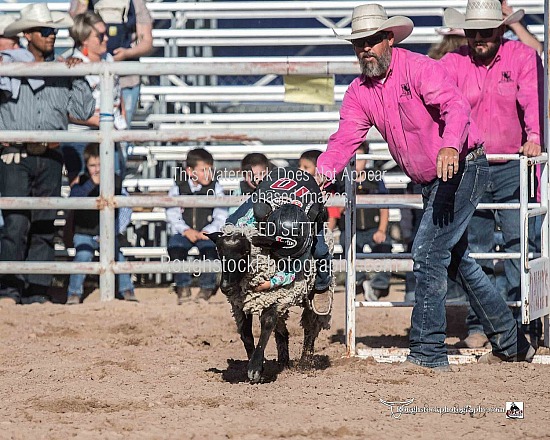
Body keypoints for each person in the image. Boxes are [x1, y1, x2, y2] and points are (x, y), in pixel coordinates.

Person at [316, 3, 534, 369]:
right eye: (359, 43)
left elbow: (455, 108)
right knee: (457, 262)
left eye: (371, 41)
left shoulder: (418, 68)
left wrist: (449, 144)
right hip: (435, 178)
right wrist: (324, 171)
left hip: (464, 166)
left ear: (388, 39)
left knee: (429, 252)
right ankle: (513, 343)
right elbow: (344, 139)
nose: (365, 49)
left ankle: (428, 350)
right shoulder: (359, 92)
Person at [440, 0, 544, 349]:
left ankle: (522, 318)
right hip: (472, 165)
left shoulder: (522, 58)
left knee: (520, 244)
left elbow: (531, 99)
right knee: (476, 248)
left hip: (512, 164)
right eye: (473, 32)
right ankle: (482, 323)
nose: (479, 38)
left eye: (486, 31)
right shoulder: (452, 63)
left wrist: (534, 138)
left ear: (501, 29)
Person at [0, 3, 95, 305]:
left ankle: (37, 290)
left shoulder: (64, 68)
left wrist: (78, 75)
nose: (51, 35)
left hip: (52, 155)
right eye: (45, 31)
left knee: (43, 223)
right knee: (15, 223)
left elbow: (83, 111)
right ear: (28, 34)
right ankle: (10, 289)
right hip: (15, 154)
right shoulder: (7, 65)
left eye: (53, 31)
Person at [66, 143, 137, 304]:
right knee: (83, 255)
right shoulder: (82, 182)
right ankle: (74, 292)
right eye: (92, 165)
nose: (97, 169)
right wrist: (91, 183)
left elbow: (125, 208)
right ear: (86, 166)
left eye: (100, 165)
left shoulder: (116, 181)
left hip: (108, 232)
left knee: (117, 256)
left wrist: (114, 230)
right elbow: (74, 199)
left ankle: (127, 290)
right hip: (84, 232)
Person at [63, 11, 128, 183]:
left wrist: (120, 118)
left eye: (105, 33)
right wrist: (100, 121)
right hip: (82, 136)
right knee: (83, 190)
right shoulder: (72, 65)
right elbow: (66, 109)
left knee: (114, 185)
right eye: (100, 35)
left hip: (111, 131)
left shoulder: (108, 58)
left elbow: (117, 94)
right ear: (84, 39)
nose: (106, 38)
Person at [69, 0, 154, 126]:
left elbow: (147, 41)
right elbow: (74, 27)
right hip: (90, 80)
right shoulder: (85, 3)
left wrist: (126, 54)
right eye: (101, 35)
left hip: (125, 79)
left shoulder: (135, 2)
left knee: (120, 130)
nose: (106, 38)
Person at [166, 148, 227, 304]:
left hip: (207, 231)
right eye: (203, 170)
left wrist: (209, 231)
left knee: (210, 249)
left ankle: (207, 286)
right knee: (176, 247)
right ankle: (182, 286)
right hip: (184, 232)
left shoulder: (216, 188)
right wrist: (185, 230)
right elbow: (172, 213)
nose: (208, 174)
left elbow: (221, 215)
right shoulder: (178, 188)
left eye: (210, 169)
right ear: (190, 171)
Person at [336, 142, 391, 301]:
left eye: (359, 158)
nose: (355, 162)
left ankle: (377, 286)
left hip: (373, 228)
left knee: (385, 246)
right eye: (352, 158)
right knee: (349, 247)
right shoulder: (341, 179)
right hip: (350, 229)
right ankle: (358, 281)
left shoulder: (375, 177)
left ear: (366, 159)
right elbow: (334, 207)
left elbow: (384, 205)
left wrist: (381, 230)